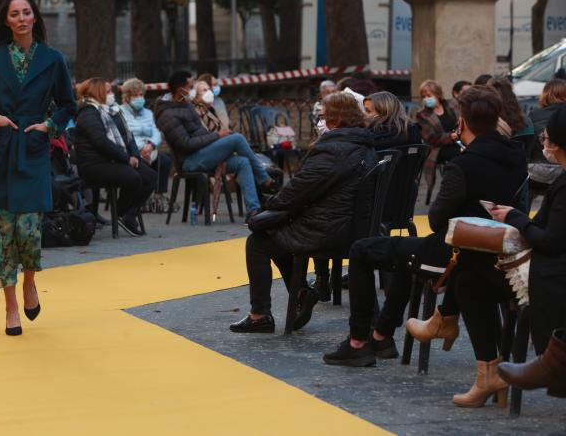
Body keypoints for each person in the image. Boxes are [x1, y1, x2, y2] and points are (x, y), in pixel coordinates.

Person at [323, 88, 528, 376]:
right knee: (406, 252)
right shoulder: (517, 157)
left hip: (453, 252)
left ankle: (358, 342)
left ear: (463, 122)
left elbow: (436, 220)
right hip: (495, 249)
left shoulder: (463, 165)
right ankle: (381, 337)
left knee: (362, 250)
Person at [0, 0, 77, 336]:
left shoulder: (53, 59)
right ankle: (10, 307)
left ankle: (29, 281)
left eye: (26, 12)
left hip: (31, 149)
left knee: (28, 233)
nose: (20, 18)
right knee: (1, 235)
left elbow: (67, 105)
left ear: (35, 17)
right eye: (14, 13)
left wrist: (49, 126)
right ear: (6, 20)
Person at [229, 93, 375, 333]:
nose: (320, 121)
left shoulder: (334, 149)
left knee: (258, 241)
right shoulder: (363, 143)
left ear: (336, 119)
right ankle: (300, 293)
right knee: (274, 233)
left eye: (323, 116)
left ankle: (260, 315)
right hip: (353, 226)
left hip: (328, 229)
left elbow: (299, 190)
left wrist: (268, 207)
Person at [488, 106, 566, 397]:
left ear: (555, 143)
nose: (543, 143)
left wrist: (514, 218)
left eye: (547, 137)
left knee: (472, 277)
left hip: (555, 277)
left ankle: (553, 361)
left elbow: (551, 242)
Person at [154, 71, 274, 221]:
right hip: (190, 161)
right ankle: (264, 179)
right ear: (180, 90)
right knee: (237, 139)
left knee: (243, 162)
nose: (193, 89)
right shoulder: (168, 114)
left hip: (203, 154)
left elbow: (200, 133)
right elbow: (185, 144)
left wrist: (218, 144)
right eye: (191, 86)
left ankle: (253, 210)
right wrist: (217, 136)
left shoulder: (185, 105)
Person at [74, 78, 156, 236]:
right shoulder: (88, 113)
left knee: (150, 176)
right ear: (97, 93)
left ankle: (127, 214)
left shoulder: (113, 110)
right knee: (133, 177)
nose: (112, 94)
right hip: (95, 164)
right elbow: (101, 143)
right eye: (108, 91)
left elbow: (128, 136)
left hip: (115, 159)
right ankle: (121, 212)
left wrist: (134, 155)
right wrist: (126, 159)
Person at [119, 78, 173, 197]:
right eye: (135, 95)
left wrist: (151, 145)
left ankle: (158, 196)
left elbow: (156, 132)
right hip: (130, 150)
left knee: (165, 160)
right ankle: (141, 197)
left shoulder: (148, 112)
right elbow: (126, 135)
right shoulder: (120, 112)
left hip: (148, 149)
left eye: (141, 95)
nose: (139, 98)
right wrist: (141, 148)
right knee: (141, 163)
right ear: (127, 96)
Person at [416, 79, 460, 188]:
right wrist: (450, 136)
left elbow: (462, 121)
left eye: (429, 95)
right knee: (458, 155)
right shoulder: (422, 115)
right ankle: (453, 186)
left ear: (438, 94)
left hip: (459, 141)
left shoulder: (452, 104)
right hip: (438, 149)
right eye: (423, 96)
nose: (426, 99)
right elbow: (431, 138)